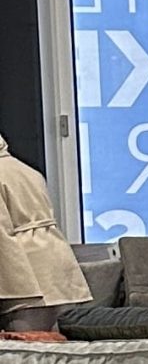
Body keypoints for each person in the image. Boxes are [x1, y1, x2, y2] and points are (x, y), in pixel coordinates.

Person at [0, 132, 91, 330]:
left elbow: (2, 237)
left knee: (26, 345)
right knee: (58, 344)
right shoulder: (29, 171)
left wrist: (15, 289)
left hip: (26, 269)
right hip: (57, 264)